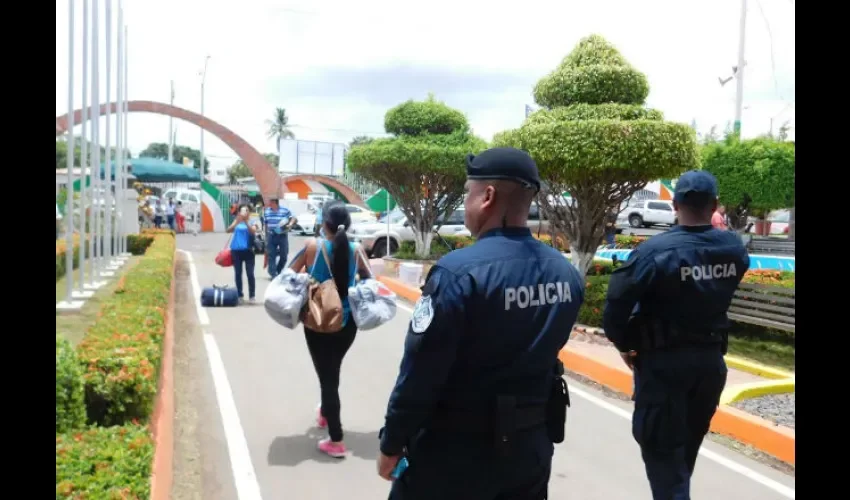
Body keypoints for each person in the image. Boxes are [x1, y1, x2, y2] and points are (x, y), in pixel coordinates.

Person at [377, 147, 585, 499]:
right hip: (529, 452)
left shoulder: (458, 273)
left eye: (467, 193)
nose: (466, 201)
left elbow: (421, 373)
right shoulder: (566, 273)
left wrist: (392, 442)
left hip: (455, 456)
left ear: (487, 197)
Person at [602, 170, 750, 500]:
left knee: (666, 465)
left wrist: (626, 345)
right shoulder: (733, 249)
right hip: (709, 367)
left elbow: (614, 307)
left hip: (665, 370)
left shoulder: (655, 252)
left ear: (675, 204)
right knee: (681, 460)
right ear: (714, 204)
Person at [288, 200, 372, 457]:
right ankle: (325, 412)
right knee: (331, 370)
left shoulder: (312, 246)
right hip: (347, 324)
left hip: (318, 320)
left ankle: (335, 439)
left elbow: (289, 274)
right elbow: (369, 280)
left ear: (324, 223)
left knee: (327, 377)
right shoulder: (357, 250)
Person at [226, 203, 257, 304]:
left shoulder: (253, 221)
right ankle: (239, 295)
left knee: (250, 274)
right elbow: (228, 230)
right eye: (243, 210)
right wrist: (236, 223)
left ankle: (252, 296)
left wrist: (246, 222)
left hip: (248, 251)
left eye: (247, 210)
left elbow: (253, 231)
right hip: (236, 251)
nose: (245, 212)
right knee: (238, 274)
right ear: (239, 212)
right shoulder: (236, 220)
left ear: (249, 212)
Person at [264, 198, 297, 278]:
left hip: (282, 235)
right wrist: (266, 237)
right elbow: (266, 224)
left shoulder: (285, 210)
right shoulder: (267, 211)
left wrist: (290, 224)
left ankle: (278, 271)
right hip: (271, 235)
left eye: (270, 201)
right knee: (271, 255)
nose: (268, 203)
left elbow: (293, 218)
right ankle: (273, 274)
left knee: (284, 256)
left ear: (274, 202)